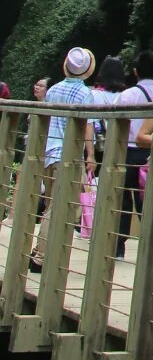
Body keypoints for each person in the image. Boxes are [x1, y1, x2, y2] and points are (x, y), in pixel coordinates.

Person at [31, 47, 97, 269]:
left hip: (49, 153)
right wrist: (90, 154)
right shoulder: (85, 94)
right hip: (68, 156)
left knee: (52, 202)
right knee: (64, 206)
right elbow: (87, 126)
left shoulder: (53, 90)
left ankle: (45, 251)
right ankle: (40, 255)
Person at [114, 50, 153, 260]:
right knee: (146, 201)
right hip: (152, 152)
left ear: (135, 71)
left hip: (128, 151)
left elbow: (114, 123)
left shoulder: (127, 95)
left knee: (123, 200)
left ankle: (118, 247)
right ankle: (150, 249)